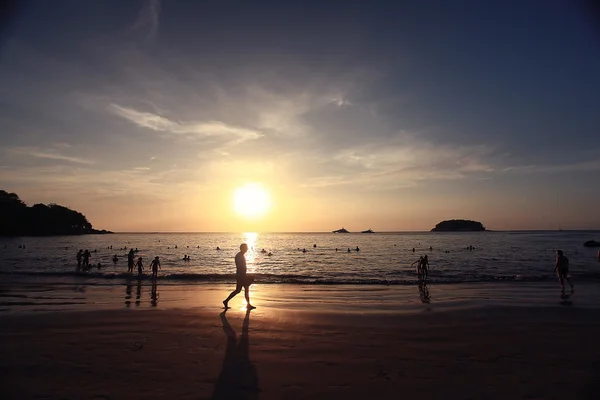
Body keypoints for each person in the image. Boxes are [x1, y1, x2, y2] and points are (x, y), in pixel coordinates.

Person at [223, 243, 255, 309]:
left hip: (242, 275)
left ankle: (226, 301)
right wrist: (243, 275)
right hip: (241, 275)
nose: (247, 249)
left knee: (240, 290)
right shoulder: (239, 255)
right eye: (246, 248)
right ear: (242, 248)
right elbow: (239, 266)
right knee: (241, 290)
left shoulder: (241, 255)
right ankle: (248, 304)